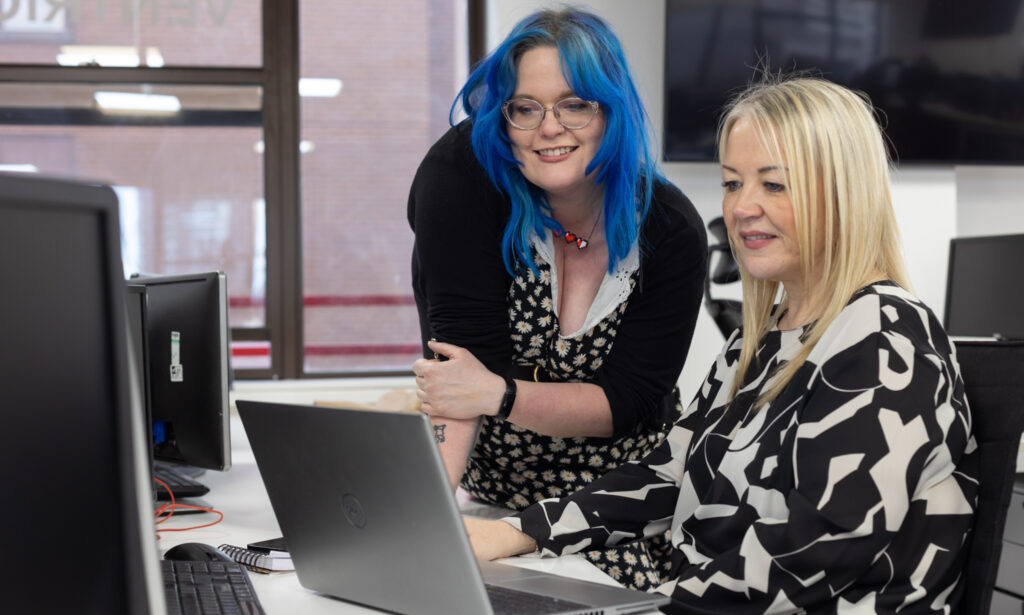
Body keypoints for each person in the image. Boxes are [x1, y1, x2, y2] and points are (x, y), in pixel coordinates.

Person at [464, 76, 979, 613]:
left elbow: (815, 552)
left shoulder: (885, 337)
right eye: (733, 184)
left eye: (774, 185)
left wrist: (651, 608)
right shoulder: (756, 344)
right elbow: (663, 478)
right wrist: (515, 534)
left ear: (844, 192)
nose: (742, 208)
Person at [407, 8, 707, 589]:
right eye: (526, 107)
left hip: (614, 514)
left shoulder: (669, 230)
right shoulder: (461, 181)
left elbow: (628, 403)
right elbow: (457, 375)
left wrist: (498, 393)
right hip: (491, 509)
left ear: (611, 112)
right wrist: (421, 527)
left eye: (575, 104)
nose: (550, 127)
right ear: (504, 117)